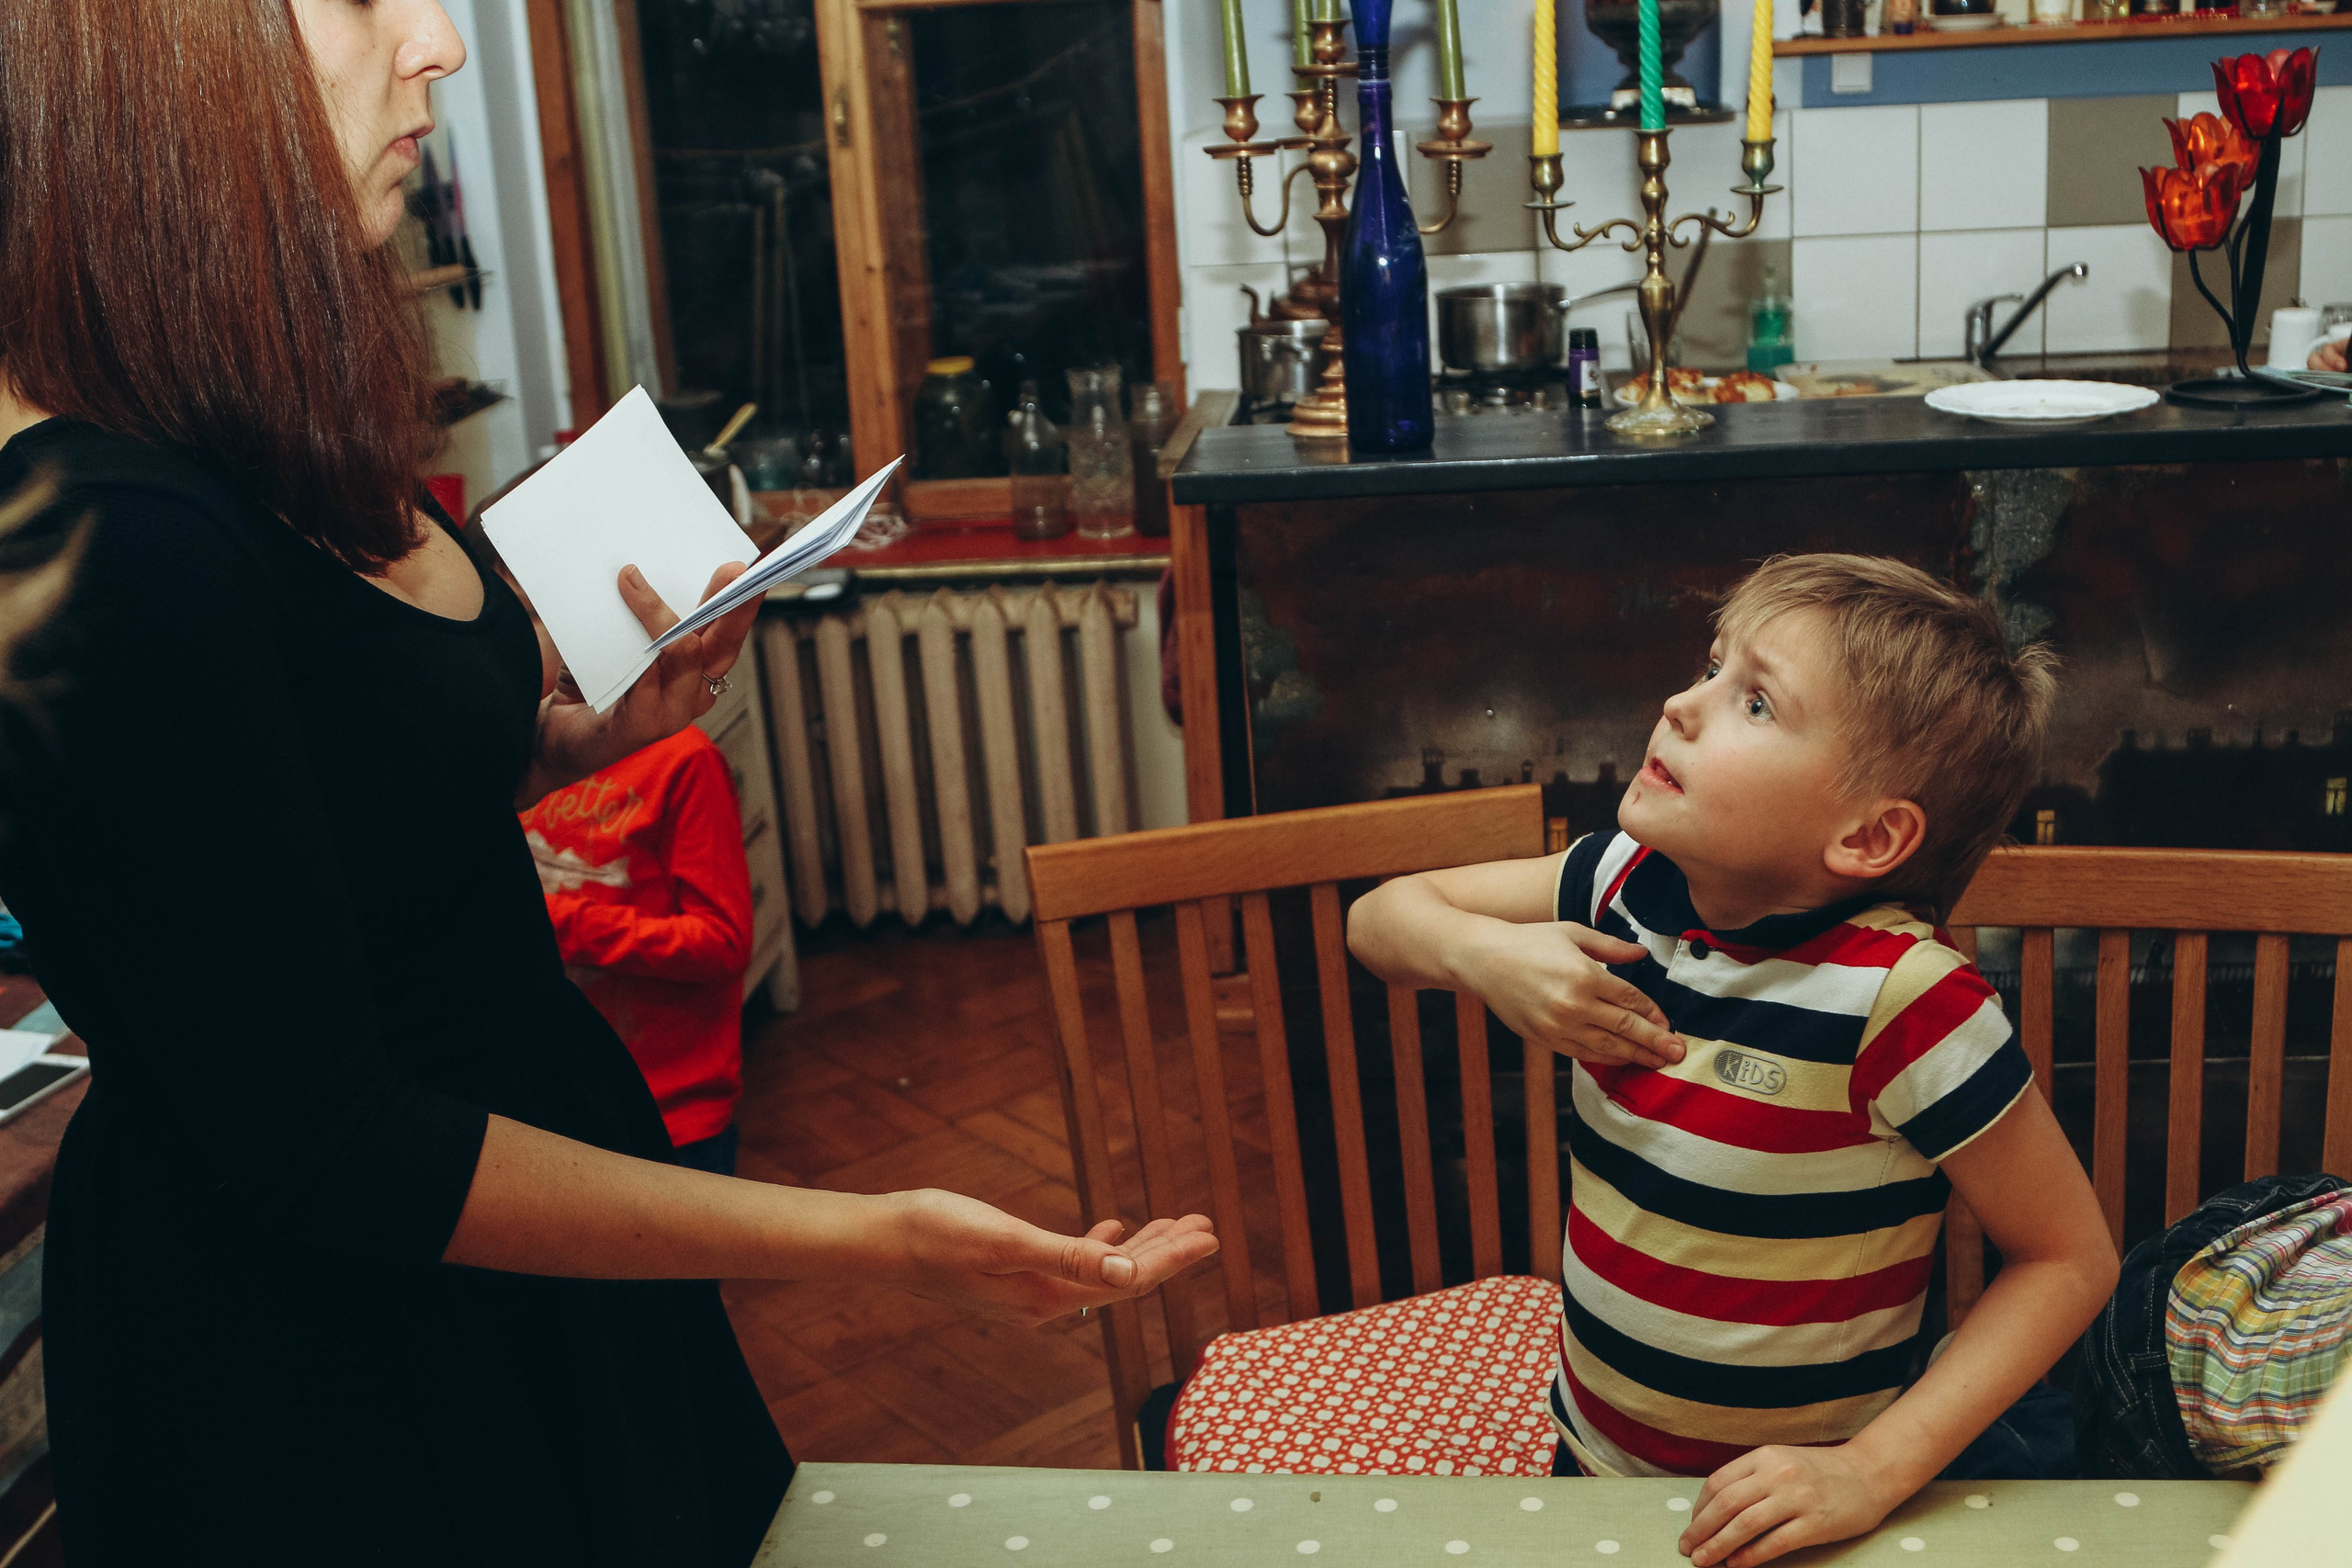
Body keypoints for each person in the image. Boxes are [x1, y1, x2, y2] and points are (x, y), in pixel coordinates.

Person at [0, 4, 1214, 1564]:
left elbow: (314, 829)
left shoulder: (243, 434)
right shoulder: (95, 545)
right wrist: (877, 1236)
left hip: (535, 1282)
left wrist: (573, 745)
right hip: (339, 1372)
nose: (436, 41)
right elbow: (334, 1139)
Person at [1349, 555, 2119, 1568]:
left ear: (1869, 834)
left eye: (1753, 700)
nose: (1680, 704)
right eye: (1709, 668)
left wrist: (1871, 1471)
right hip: (1589, 1471)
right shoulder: (1622, 882)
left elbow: (2068, 1259)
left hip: (1797, 1518)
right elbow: (1380, 917)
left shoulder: (1904, 999)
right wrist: (1484, 955)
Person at [519, 719, 755, 1177]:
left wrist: (561, 923)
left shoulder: (682, 759)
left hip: (674, 1107)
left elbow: (722, 941)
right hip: (563, 1097)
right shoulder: (515, 749)